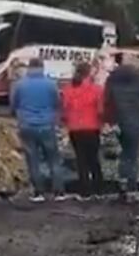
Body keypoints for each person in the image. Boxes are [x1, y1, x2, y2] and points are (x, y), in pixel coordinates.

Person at [10, 58, 64, 201]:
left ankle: (38, 193)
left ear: (29, 67)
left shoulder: (19, 84)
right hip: (47, 125)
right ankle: (58, 192)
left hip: (27, 126)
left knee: (33, 160)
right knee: (53, 158)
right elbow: (57, 103)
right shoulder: (50, 84)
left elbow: (13, 104)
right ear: (42, 67)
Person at [104, 52, 139, 195]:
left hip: (117, 121)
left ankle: (122, 183)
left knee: (123, 153)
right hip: (135, 121)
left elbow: (106, 101)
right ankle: (131, 186)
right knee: (132, 154)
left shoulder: (112, 78)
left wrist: (108, 120)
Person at [61, 62, 104, 198]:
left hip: (75, 129)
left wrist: (67, 121)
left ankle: (85, 190)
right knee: (94, 159)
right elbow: (101, 110)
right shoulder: (97, 89)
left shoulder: (68, 89)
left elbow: (64, 110)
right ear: (89, 73)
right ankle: (98, 188)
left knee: (81, 160)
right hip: (92, 128)